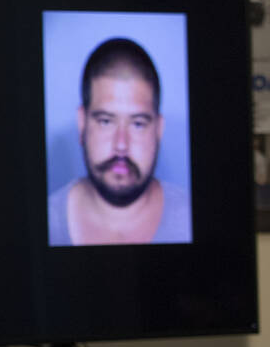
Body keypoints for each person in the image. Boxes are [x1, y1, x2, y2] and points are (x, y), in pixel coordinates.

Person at [47, 37, 191, 246]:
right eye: (106, 121)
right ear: (82, 124)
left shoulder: (191, 219)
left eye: (138, 124)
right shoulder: (46, 224)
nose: (121, 145)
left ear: (159, 130)